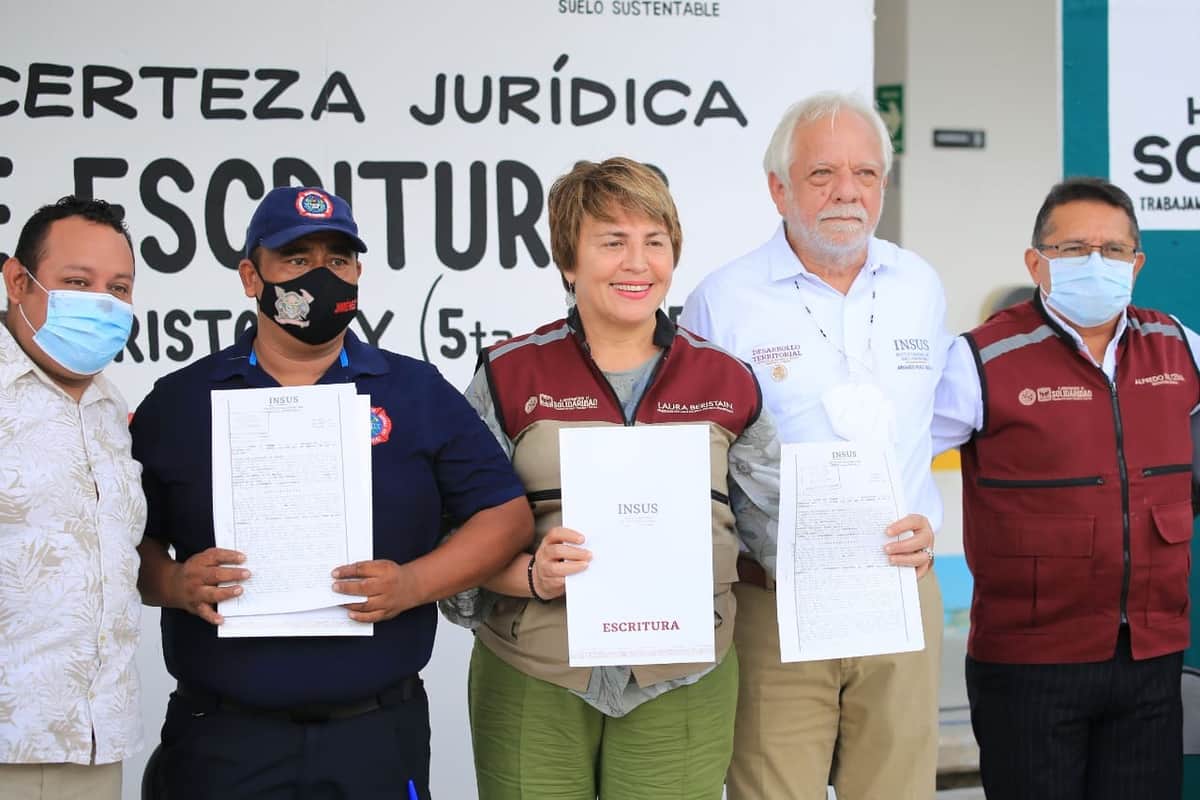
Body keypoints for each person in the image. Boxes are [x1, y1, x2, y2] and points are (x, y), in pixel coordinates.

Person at [131, 186, 533, 800]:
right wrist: (175, 584)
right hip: (222, 739)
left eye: (338, 260)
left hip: (374, 734)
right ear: (249, 275)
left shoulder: (415, 391)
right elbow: (122, 545)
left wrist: (412, 585)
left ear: (358, 274)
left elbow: (505, 516)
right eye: (297, 260)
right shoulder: (181, 401)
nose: (321, 275)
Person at [441, 157, 780, 800]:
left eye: (654, 241)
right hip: (537, 673)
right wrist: (532, 575)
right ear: (568, 261)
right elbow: (457, 534)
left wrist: (875, 549)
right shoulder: (509, 375)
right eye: (612, 241)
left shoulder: (725, 380)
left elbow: (779, 526)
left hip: (682, 674)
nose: (637, 262)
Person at [678, 91, 946, 800]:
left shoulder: (920, 286)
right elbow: (700, 456)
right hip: (776, 601)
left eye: (866, 174)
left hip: (900, 589)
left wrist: (933, 523)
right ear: (778, 188)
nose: (847, 193)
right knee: (774, 790)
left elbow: (930, 430)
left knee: (898, 790)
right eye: (822, 173)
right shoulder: (723, 300)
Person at [932, 177, 1200, 799]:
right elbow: (898, 459)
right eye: (1075, 249)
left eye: (1112, 250)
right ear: (1037, 263)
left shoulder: (1178, 347)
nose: (1095, 263)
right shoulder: (983, 359)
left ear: (1136, 264)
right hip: (1030, 663)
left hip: (1149, 659)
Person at [0, 197, 143, 800]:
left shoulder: (110, 410)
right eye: (77, 282)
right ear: (16, 280)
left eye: (118, 288)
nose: (101, 304)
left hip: (93, 746)